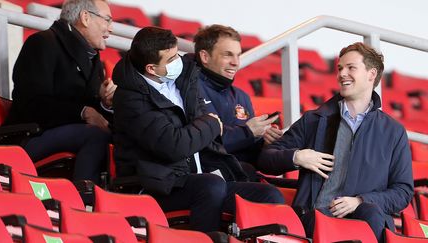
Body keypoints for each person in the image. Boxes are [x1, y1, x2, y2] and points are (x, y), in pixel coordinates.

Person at [112, 26, 284, 233]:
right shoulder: (131, 98)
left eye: (178, 55)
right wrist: (211, 125)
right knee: (210, 185)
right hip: (157, 186)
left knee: (269, 195)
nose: (179, 62)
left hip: (197, 176)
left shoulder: (183, 80)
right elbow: (174, 145)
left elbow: (204, 133)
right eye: (171, 59)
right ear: (151, 68)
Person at [258, 42, 413, 241]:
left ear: (371, 74)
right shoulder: (314, 120)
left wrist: (360, 200)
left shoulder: (393, 131)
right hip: (315, 218)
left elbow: (403, 192)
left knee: (371, 213)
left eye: (351, 68)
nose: (342, 74)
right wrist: (298, 157)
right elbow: (266, 158)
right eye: (340, 68)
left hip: (365, 220)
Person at [3, 0, 115, 184]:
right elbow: (31, 103)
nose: (110, 29)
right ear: (85, 17)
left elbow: (91, 107)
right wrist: (84, 112)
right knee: (97, 135)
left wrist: (105, 102)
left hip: (67, 133)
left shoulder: (92, 57)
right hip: (29, 137)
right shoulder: (42, 43)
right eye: (107, 20)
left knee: (120, 134)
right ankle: (85, 201)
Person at [194, 25, 283, 169]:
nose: (236, 62)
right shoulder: (190, 90)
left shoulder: (242, 97)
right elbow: (204, 147)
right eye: (227, 54)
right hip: (211, 177)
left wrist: (263, 142)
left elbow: (249, 155)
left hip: (241, 173)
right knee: (270, 192)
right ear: (205, 56)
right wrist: (247, 132)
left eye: (238, 55)